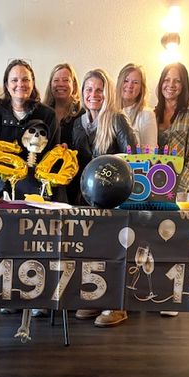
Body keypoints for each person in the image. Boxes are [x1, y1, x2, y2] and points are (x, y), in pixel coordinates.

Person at [70, 68, 136, 327]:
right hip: (85, 198)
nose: (93, 94)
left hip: (114, 200)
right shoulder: (77, 122)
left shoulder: (118, 119)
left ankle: (117, 305)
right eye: (88, 89)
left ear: (107, 93)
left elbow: (132, 157)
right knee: (91, 251)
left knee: (114, 252)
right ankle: (95, 298)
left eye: (99, 90)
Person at [155, 62, 189, 317]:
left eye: (176, 81)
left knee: (174, 244)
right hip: (152, 192)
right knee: (151, 242)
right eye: (166, 79)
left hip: (180, 193)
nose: (170, 85)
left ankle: (171, 298)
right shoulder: (150, 112)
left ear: (183, 85)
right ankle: (148, 293)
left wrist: (179, 190)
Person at [0, 59, 61, 200]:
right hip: (1, 192)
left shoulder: (48, 115)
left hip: (39, 195)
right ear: (6, 84)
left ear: (32, 83)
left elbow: (52, 158)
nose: (20, 84)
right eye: (14, 80)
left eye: (25, 80)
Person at [43, 63, 85, 203]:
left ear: (73, 84)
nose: (60, 84)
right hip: (45, 181)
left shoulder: (82, 114)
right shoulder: (42, 113)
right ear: (50, 84)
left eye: (66, 80)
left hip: (74, 182)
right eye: (56, 80)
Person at [116, 63, 157, 149]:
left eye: (135, 82)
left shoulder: (147, 114)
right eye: (126, 81)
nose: (130, 86)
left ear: (141, 88)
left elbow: (149, 153)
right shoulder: (109, 111)